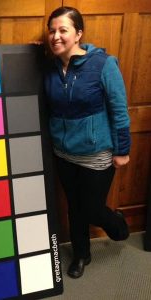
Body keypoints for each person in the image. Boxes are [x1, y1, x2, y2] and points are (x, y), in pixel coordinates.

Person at [44, 6, 131, 279]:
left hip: (96, 153)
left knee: (92, 208)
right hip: (63, 153)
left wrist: (122, 150)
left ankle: (117, 225)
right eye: (52, 30)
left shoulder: (103, 64)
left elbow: (119, 109)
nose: (55, 36)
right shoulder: (51, 68)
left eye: (63, 30)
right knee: (73, 205)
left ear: (79, 33)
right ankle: (82, 254)